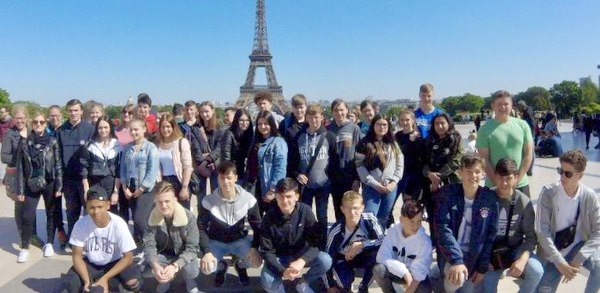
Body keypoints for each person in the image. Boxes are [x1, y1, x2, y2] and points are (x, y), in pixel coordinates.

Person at [535, 150, 600, 293]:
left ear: (580, 175)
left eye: (568, 174)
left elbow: (598, 231)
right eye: (560, 171)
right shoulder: (548, 193)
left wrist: (579, 258)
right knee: (543, 290)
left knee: (598, 265)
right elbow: (541, 230)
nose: (562, 176)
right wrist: (560, 262)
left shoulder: (589, 196)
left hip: (577, 246)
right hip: (553, 250)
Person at [433, 154, 499, 293]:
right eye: (468, 171)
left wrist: (482, 267)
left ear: (483, 174)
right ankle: (441, 286)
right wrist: (456, 261)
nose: (473, 176)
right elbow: (442, 229)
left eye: (477, 172)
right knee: (458, 279)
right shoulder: (447, 194)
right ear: (460, 172)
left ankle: (437, 277)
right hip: (451, 254)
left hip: (474, 256)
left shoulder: (489, 199)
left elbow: (490, 235)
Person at [479, 158, 542, 293]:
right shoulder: (486, 198)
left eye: (508, 178)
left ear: (516, 178)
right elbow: (478, 233)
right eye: (500, 178)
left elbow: (531, 237)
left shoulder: (524, 202)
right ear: (495, 177)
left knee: (536, 271)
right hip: (490, 253)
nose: (504, 183)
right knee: (486, 288)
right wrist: (484, 259)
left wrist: (523, 260)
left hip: (515, 249)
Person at [63, 186, 142, 293]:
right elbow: (77, 256)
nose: (96, 211)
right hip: (92, 263)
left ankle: (108, 282)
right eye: (91, 207)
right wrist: (87, 281)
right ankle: (97, 282)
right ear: (86, 207)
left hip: (115, 261)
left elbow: (128, 258)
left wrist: (105, 279)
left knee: (134, 283)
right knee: (71, 284)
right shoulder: (80, 224)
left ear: (108, 205)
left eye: (100, 207)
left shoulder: (118, 224)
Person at [260, 178, 332, 293]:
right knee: (268, 282)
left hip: (300, 254)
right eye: (281, 196)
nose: (285, 201)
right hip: (279, 257)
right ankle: (279, 288)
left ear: (297, 197)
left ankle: (302, 283)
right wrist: (283, 271)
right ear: (276, 196)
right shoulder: (269, 217)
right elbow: (266, 251)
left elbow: (316, 242)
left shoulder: (305, 211)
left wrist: (303, 260)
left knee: (325, 260)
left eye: (289, 196)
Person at [198, 161, 262, 287]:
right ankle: (221, 266)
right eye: (222, 178)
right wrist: (207, 251)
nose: (226, 182)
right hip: (216, 241)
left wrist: (254, 248)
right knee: (206, 268)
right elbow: (201, 227)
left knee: (256, 262)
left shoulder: (248, 199)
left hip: (239, 241)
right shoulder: (209, 200)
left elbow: (257, 226)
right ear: (218, 179)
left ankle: (240, 265)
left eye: (229, 177)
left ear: (236, 178)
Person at [14, 113, 63, 262]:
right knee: (27, 216)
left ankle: (49, 243)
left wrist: (59, 186)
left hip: (49, 182)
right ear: (31, 124)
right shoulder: (24, 143)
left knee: (51, 213)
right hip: (31, 183)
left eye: (41, 122)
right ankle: (24, 247)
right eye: (35, 122)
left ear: (46, 124)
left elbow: (58, 164)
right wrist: (20, 190)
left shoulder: (52, 141)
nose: (38, 124)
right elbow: (20, 168)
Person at [291, 103, 338, 248]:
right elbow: (292, 161)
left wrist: (330, 178)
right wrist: (297, 174)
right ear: (306, 118)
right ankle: (305, 243)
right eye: (311, 117)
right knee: (304, 216)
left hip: (323, 184)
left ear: (322, 118)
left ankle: (322, 245)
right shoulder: (298, 137)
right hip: (305, 184)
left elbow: (335, 160)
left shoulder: (329, 136)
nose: (314, 120)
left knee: (322, 216)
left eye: (317, 117)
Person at [143, 181, 200, 293]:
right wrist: (155, 266)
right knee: (145, 270)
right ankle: (165, 279)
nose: (164, 206)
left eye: (167, 201)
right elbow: (149, 245)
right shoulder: (151, 217)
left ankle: (189, 280)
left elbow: (192, 248)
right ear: (155, 201)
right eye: (160, 202)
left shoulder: (188, 217)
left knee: (192, 270)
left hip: (182, 253)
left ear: (175, 199)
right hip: (163, 254)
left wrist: (175, 266)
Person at [324, 191, 384, 293]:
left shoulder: (370, 219)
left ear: (362, 208)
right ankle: (346, 286)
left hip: (363, 254)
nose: (352, 212)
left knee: (377, 256)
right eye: (348, 208)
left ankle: (363, 286)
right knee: (344, 283)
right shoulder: (336, 230)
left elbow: (383, 240)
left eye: (355, 208)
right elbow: (327, 257)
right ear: (342, 209)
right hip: (343, 258)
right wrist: (329, 285)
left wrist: (360, 245)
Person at [476, 90, 533, 197]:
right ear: (493, 106)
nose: (503, 107)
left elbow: (528, 155)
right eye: (499, 104)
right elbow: (484, 160)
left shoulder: (523, 125)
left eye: (506, 104)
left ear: (512, 105)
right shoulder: (484, 130)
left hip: (520, 184)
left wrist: (516, 180)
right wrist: (499, 182)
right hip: (494, 185)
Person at [55, 99, 95, 245]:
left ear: (81, 111)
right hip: (68, 179)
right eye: (70, 110)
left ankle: (88, 241)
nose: (73, 113)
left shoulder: (90, 129)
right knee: (71, 212)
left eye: (76, 110)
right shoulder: (61, 130)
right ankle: (74, 240)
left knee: (88, 211)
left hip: (85, 179)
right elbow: (57, 156)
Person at [373, 200, 433, 293]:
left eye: (419, 221)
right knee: (378, 269)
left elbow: (420, 272)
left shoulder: (425, 241)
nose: (415, 225)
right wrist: (405, 273)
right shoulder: (393, 231)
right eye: (411, 221)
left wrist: (409, 289)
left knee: (424, 289)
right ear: (401, 219)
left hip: (415, 277)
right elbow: (381, 256)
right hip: (398, 272)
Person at [355, 114, 403, 227]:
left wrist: (394, 182)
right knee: (369, 215)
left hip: (390, 187)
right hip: (371, 186)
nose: (382, 127)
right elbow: (359, 165)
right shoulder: (364, 143)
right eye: (379, 124)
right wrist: (373, 183)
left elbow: (400, 163)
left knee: (384, 216)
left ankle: (380, 241)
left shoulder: (393, 143)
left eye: (385, 125)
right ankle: (369, 241)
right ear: (373, 126)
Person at [120, 117, 159, 244]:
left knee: (140, 219)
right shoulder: (127, 148)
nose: (134, 132)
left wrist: (142, 188)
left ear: (143, 130)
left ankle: (151, 244)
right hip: (130, 187)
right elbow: (123, 168)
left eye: (136, 129)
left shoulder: (150, 148)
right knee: (135, 219)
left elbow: (152, 171)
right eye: (131, 130)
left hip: (145, 189)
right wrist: (125, 187)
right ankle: (139, 245)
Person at [246, 110, 288, 215]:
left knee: (271, 220)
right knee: (255, 218)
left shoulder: (278, 142)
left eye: (266, 123)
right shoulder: (255, 140)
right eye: (260, 124)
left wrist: (273, 190)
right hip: (255, 186)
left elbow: (280, 168)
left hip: (268, 187)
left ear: (271, 124)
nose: (262, 126)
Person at [422, 113, 462, 219]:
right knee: (433, 216)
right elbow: (422, 161)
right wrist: (429, 174)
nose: (439, 126)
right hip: (430, 185)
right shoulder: (428, 141)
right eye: (436, 123)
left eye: (442, 123)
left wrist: (438, 177)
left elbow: (457, 160)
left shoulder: (456, 139)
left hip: (451, 183)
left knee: (451, 217)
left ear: (449, 123)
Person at [327, 99, 361, 221]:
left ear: (347, 110)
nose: (339, 113)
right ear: (332, 112)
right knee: (338, 208)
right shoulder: (328, 129)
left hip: (349, 176)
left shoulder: (354, 128)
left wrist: (358, 177)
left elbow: (359, 154)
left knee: (351, 209)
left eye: (341, 110)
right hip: (333, 176)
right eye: (336, 110)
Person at [80, 115, 122, 215]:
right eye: (100, 127)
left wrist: (115, 192)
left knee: (111, 215)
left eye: (105, 127)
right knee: (95, 213)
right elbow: (84, 169)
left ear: (110, 128)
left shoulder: (118, 145)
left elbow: (119, 171)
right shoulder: (90, 146)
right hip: (94, 183)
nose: (103, 130)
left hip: (110, 184)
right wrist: (86, 189)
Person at [155, 113, 193, 209]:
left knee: (182, 214)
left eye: (168, 126)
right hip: (164, 182)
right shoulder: (157, 145)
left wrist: (184, 187)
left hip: (178, 181)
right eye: (162, 127)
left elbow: (187, 167)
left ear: (173, 127)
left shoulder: (181, 142)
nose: (165, 130)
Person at [196, 101, 224, 203]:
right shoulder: (196, 128)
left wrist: (205, 161)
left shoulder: (220, 127)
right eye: (202, 112)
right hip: (201, 166)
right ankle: (203, 218)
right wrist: (202, 161)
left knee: (217, 198)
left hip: (214, 165)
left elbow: (219, 148)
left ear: (213, 111)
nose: (204, 114)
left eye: (207, 111)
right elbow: (195, 148)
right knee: (201, 200)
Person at [220, 108, 253, 181]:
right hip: (234, 173)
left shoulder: (250, 135)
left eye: (247, 120)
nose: (244, 123)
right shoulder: (229, 133)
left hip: (247, 174)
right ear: (236, 120)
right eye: (241, 120)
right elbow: (226, 156)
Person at [279, 94, 308, 175]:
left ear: (306, 107)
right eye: (296, 107)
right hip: (290, 167)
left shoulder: (311, 123)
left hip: (307, 166)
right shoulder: (284, 124)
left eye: (301, 107)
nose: (298, 110)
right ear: (292, 108)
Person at [0, 106, 14, 181]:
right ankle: (2, 178)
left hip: (9, 144)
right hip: (1, 142)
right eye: (0, 112)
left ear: (7, 112)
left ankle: (7, 177)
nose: (1, 113)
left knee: (7, 162)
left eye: (2, 112)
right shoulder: (1, 121)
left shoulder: (12, 121)